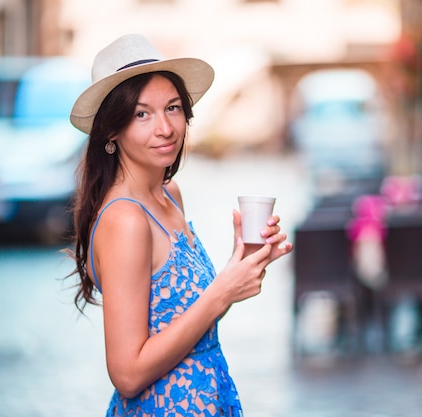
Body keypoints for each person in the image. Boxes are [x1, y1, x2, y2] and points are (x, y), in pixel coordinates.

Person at [65, 33, 293, 416]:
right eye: (142, 114)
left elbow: (188, 322)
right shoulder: (125, 220)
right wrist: (220, 293)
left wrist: (240, 268)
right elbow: (127, 373)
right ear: (110, 129)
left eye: (172, 108)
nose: (166, 128)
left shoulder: (169, 193)